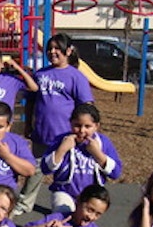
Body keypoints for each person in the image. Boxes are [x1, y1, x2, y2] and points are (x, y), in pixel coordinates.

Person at [15, 33, 94, 216]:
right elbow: (32, 101)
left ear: (68, 51)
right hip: (42, 133)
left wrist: (82, 131)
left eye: (58, 48)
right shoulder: (41, 74)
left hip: (67, 136)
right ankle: (25, 203)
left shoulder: (76, 77)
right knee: (34, 171)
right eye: (50, 48)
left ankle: (71, 205)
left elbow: (86, 107)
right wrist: (28, 124)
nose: (52, 52)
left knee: (67, 173)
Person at [41, 103, 122, 213]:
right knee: (63, 215)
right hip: (64, 191)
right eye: (77, 125)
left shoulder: (102, 142)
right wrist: (62, 149)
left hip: (91, 196)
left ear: (96, 126)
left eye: (87, 126)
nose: (82, 130)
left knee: (83, 222)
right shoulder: (62, 140)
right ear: (70, 123)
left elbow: (116, 173)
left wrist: (98, 154)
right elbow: (45, 168)